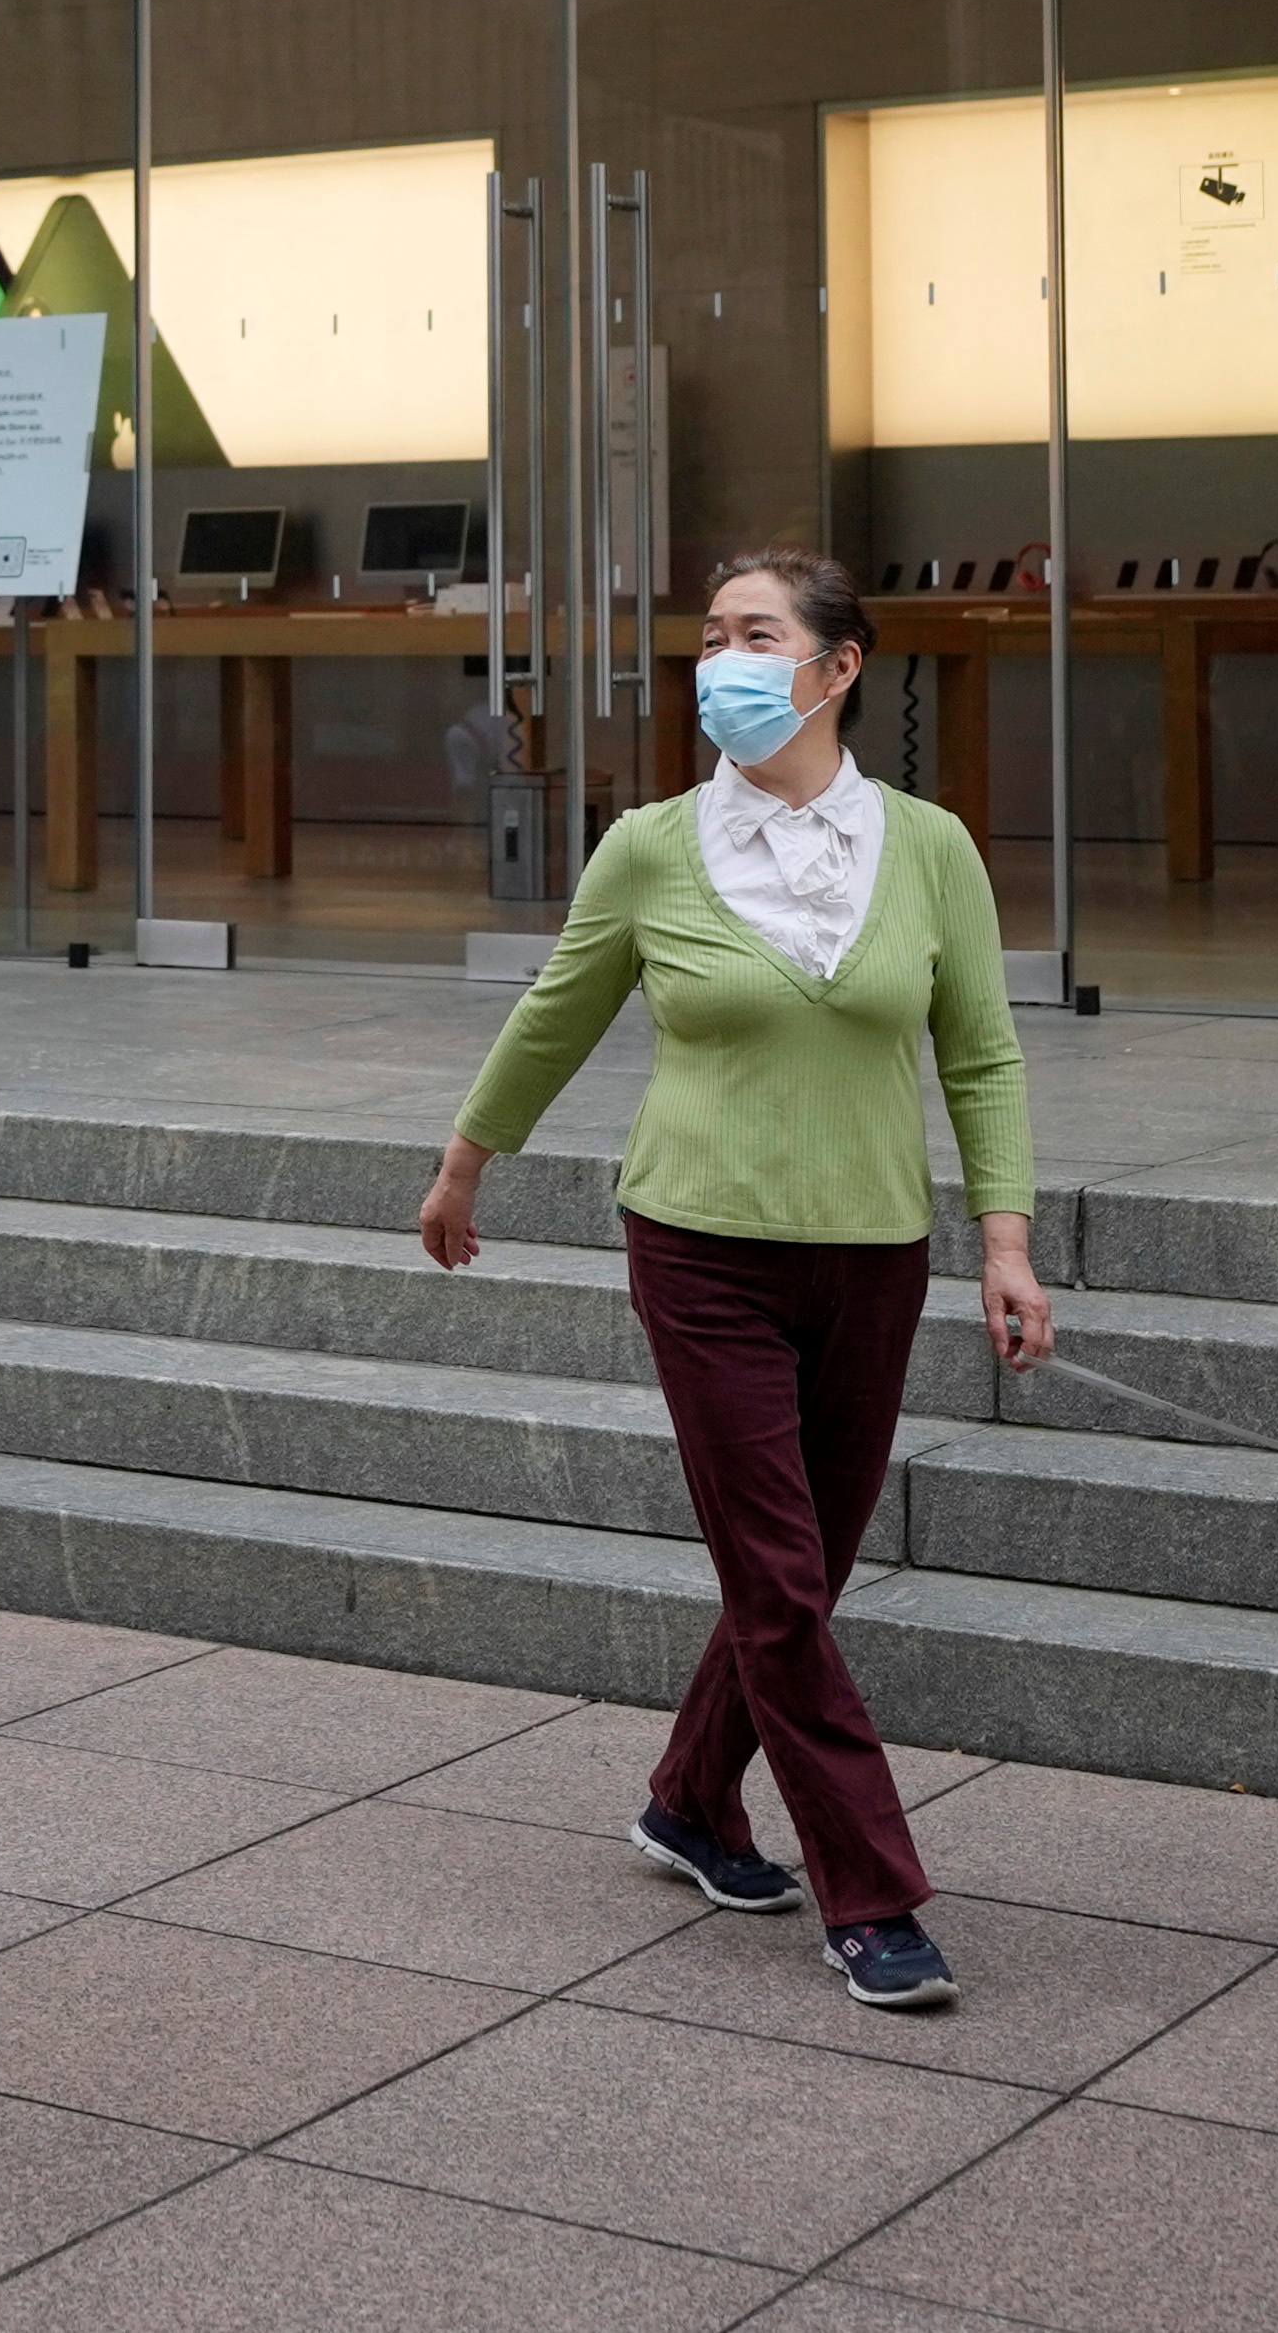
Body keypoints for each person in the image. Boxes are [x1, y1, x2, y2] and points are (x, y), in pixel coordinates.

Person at [421, 546, 1046, 2015]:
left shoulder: (931, 844)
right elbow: (554, 1012)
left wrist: (1003, 1243)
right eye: (710, 637)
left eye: (757, 634)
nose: (723, 660)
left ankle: (692, 1798)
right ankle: (873, 1892)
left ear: (837, 668)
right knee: (776, 1577)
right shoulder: (647, 844)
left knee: (804, 1570)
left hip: (873, 1253)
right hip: (698, 1244)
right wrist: (464, 1165)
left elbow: (982, 1051)